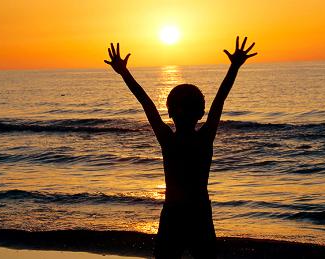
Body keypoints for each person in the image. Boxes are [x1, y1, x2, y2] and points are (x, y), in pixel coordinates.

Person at [104, 36, 257, 259]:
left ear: (170, 112)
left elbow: (146, 102)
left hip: (175, 214)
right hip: (198, 214)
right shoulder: (203, 138)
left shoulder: (169, 139)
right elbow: (220, 99)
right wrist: (234, 67)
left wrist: (124, 73)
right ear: (201, 113)